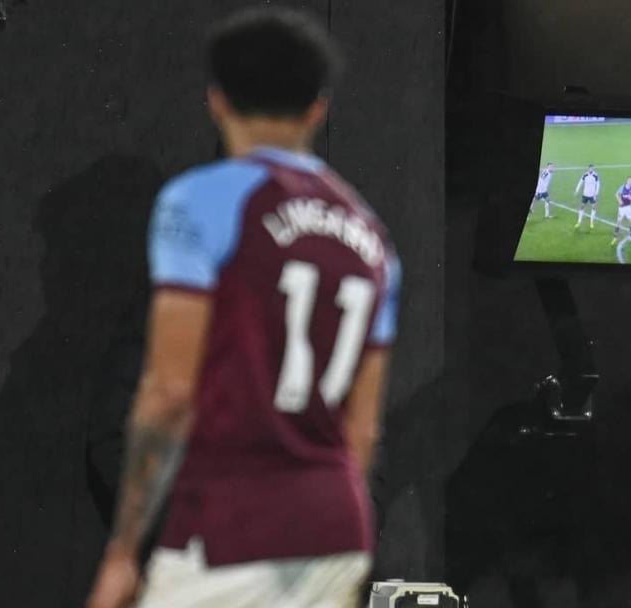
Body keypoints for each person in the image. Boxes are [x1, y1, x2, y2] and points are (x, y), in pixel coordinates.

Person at [87, 8, 400, 608]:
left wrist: (128, 548)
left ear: (220, 105)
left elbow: (163, 395)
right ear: (317, 111)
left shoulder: (199, 212)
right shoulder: (371, 241)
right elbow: (363, 433)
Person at [611, 176, 631, 246]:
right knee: (618, 223)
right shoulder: (622, 187)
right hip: (622, 208)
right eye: (629, 180)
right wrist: (619, 200)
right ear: (627, 181)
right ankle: (615, 238)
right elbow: (616, 194)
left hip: (628, 207)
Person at [573, 163, 601, 229]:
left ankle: (591, 222)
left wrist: (596, 192)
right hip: (585, 194)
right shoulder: (585, 175)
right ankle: (579, 222)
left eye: (592, 168)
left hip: (592, 195)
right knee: (581, 207)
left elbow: (598, 184)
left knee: (594, 207)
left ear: (593, 169)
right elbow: (580, 182)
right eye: (590, 168)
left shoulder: (595, 175)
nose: (591, 169)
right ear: (588, 168)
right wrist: (577, 190)